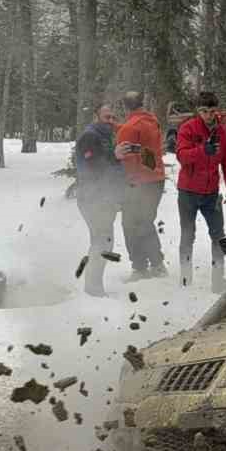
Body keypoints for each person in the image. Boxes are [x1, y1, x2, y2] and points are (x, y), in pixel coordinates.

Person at [174, 91, 226, 292]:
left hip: (211, 193)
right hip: (188, 192)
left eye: (211, 111)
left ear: (216, 111)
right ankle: (185, 277)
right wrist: (203, 150)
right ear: (198, 111)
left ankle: (218, 279)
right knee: (187, 234)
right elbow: (182, 157)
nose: (208, 115)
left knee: (218, 235)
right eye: (203, 111)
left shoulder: (222, 132)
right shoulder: (188, 128)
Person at [72, 102, 125, 297]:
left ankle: (94, 286)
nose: (111, 121)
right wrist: (115, 155)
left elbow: (111, 169)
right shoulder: (90, 137)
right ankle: (93, 288)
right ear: (96, 117)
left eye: (113, 118)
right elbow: (93, 167)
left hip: (105, 197)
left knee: (102, 241)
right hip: (92, 197)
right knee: (102, 241)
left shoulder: (106, 137)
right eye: (107, 117)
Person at [114, 91, 168, 280]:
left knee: (130, 225)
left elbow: (128, 161)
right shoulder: (152, 121)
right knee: (145, 223)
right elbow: (150, 151)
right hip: (157, 179)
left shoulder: (129, 129)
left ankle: (140, 267)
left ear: (124, 107)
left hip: (139, 183)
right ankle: (157, 264)